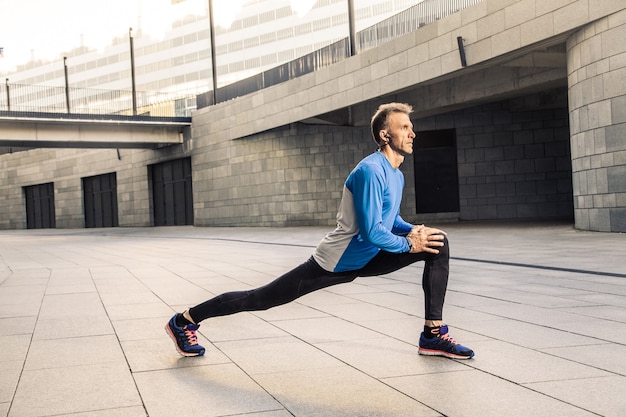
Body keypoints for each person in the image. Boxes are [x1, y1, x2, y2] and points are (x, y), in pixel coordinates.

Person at [165, 102, 474, 360]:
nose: (412, 133)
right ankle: (185, 320)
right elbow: (370, 232)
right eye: (404, 127)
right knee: (259, 298)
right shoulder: (370, 171)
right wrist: (409, 245)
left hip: (366, 259)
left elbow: (389, 219)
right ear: (385, 134)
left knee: (437, 242)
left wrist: (414, 231)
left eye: (411, 127)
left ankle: (432, 334)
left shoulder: (395, 174)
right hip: (335, 262)